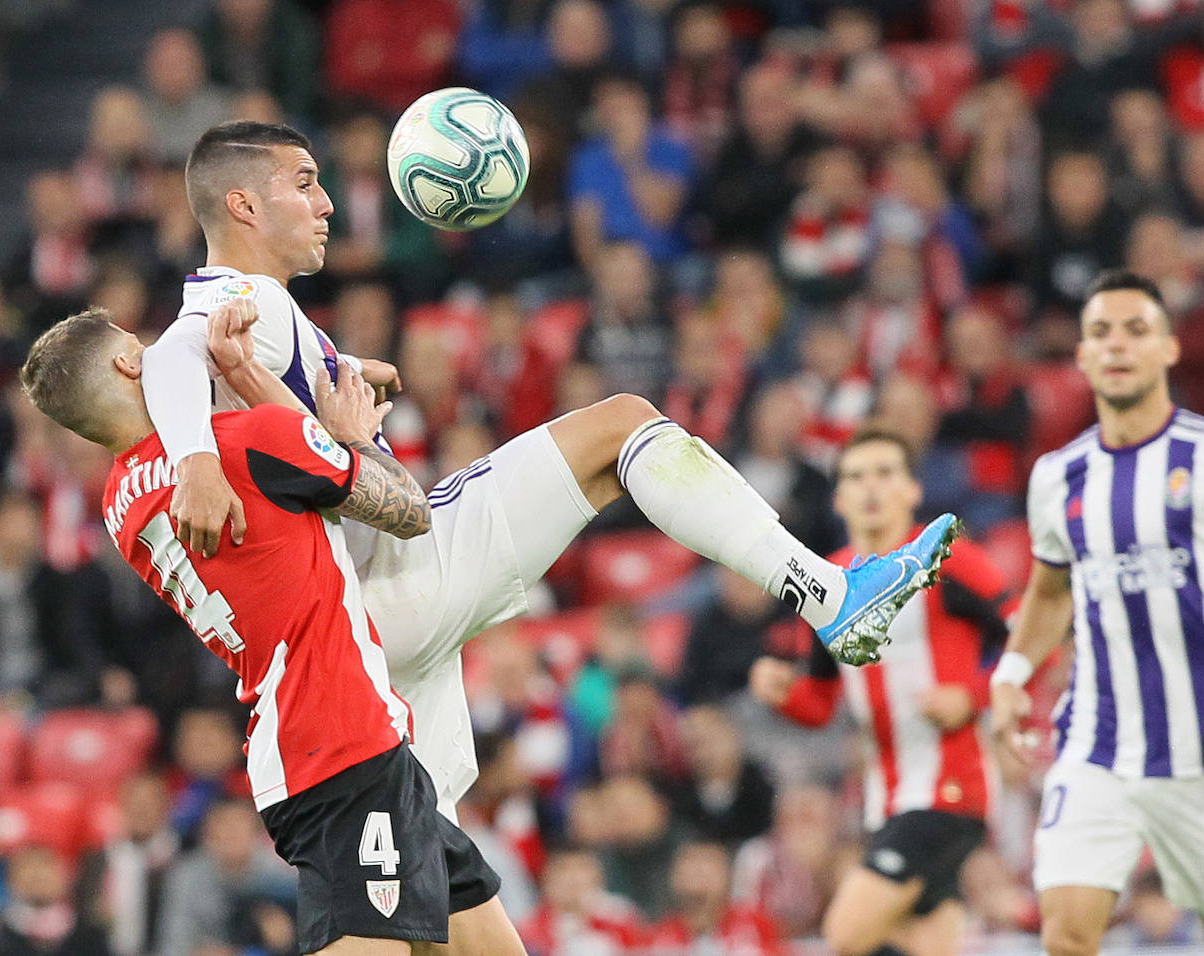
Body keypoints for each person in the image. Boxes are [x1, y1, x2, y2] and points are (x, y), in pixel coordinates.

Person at [140, 120, 960, 821]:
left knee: (436, 880)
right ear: (243, 204)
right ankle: (829, 594)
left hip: (358, 638)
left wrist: (340, 373)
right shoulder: (240, 297)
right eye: (305, 182)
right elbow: (173, 354)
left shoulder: (263, 318)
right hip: (390, 577)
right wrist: (196, 464)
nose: (325, 203)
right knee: (623, 427)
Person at [19, 307, 524, 955]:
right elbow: (410, 512)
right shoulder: (245, 443)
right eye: (141, 346)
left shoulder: (120, 503)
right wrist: (352, 435)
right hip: (340, 746)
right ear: (128, 364)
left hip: (334, 742)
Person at [991, 268, 1204, 956]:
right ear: (1081, 356)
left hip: (1196, 743)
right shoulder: (1057, 476)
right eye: (1100, 333)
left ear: (1170, 349)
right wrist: (1013, 673)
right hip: (1100, 741)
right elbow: (1051, 591)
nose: (1117, 346)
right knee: (1068, 932)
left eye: (1136, 331)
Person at [751, 430, 1014, 956]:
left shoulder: (950, 559)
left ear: (912, 490)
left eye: (885, 473)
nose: (871, 488)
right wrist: (781, 692)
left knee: (847, 932)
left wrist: (973, 696)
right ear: (839, 498)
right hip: (887, 798)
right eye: (855, 476)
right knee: (924, 944)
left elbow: (1034, 638)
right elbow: (820, 705)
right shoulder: (825, 584)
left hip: (950, 789)